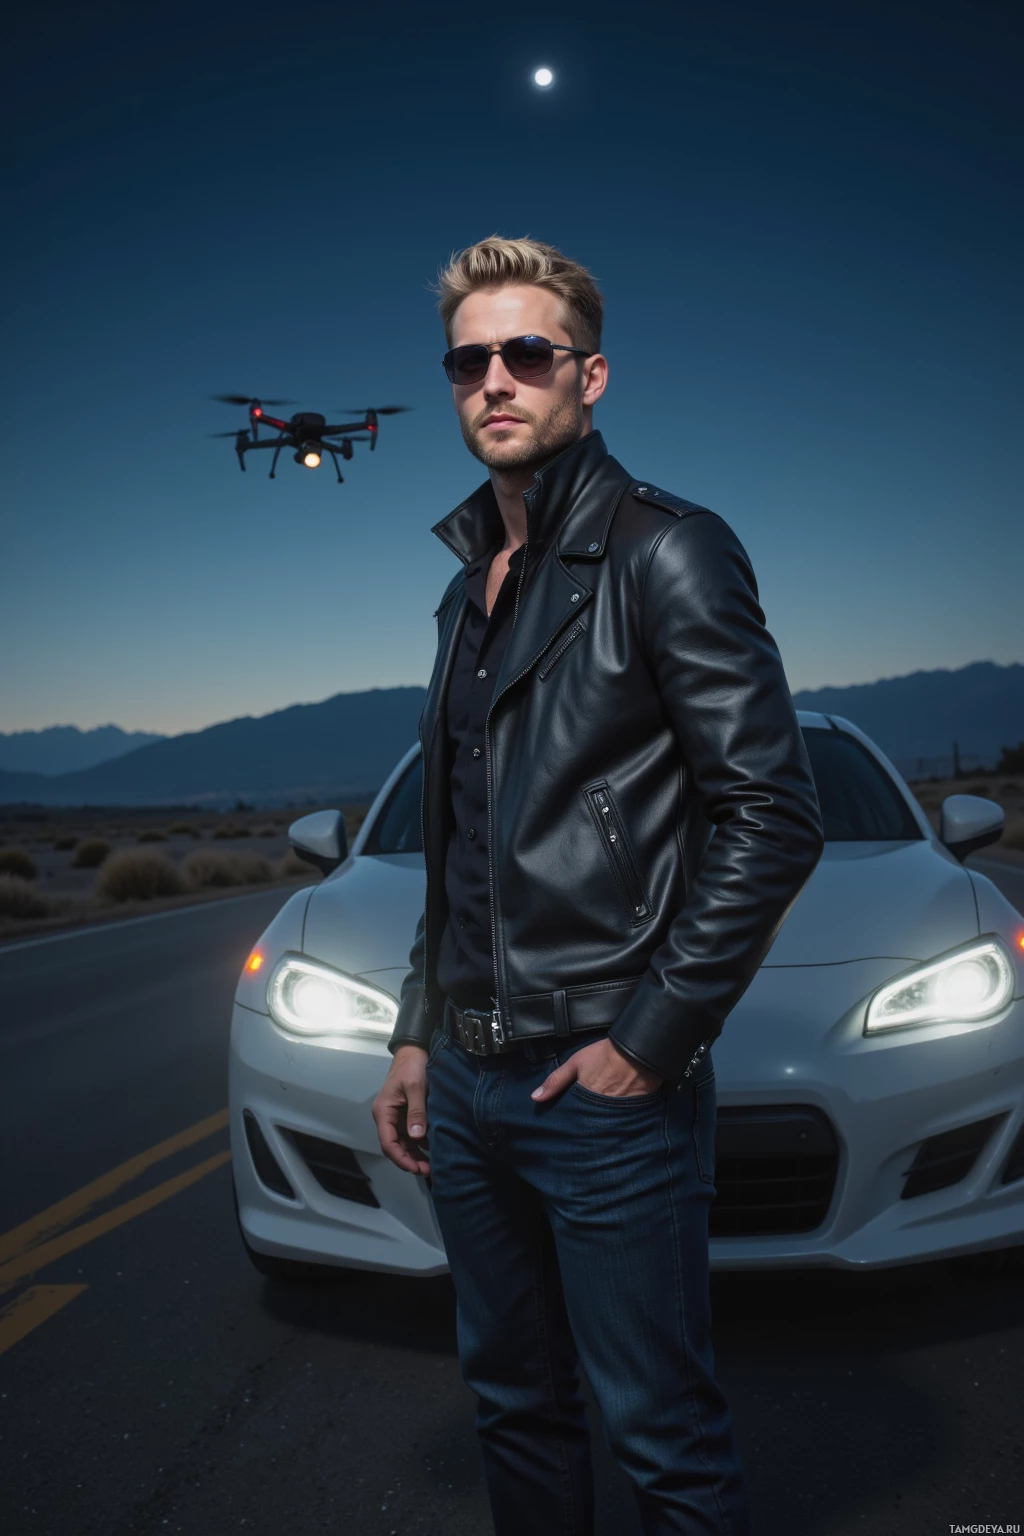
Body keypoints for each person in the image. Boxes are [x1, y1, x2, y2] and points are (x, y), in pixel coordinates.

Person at [372, 234, 824, 1536]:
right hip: (464, 1085)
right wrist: (416, 1031)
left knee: (662, 1434)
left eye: (528, 353)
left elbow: (770, 815)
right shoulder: (468, 593)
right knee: (514, 1402)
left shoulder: (669, 550)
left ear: (592, 377)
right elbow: (462, 846)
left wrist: (651, 1041)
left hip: (605, 1090)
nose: (495, 380)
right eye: (470, 359)